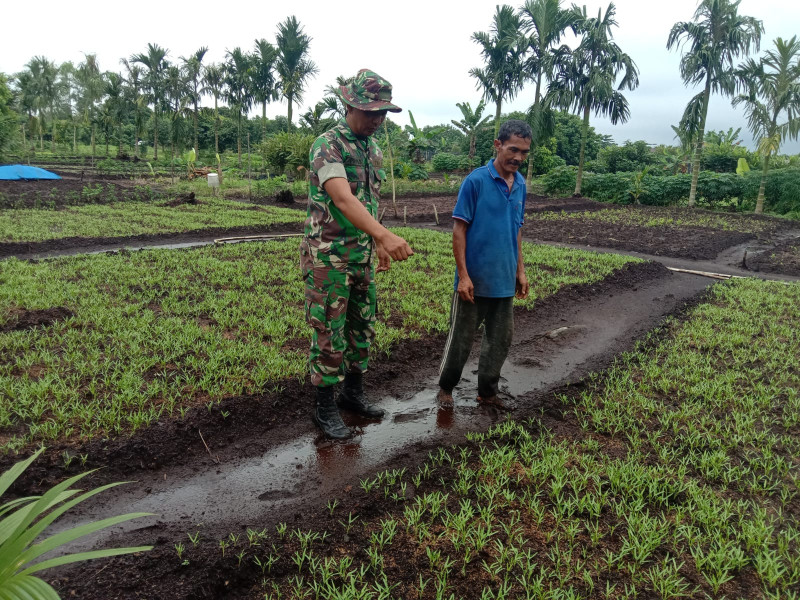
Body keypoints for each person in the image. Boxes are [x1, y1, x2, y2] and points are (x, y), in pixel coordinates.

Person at [301, 69, 413, 439]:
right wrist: (385, 235)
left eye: (383, 113)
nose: (378, 120)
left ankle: (353, 393)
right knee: (329, 331)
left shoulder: (374, 150)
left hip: (362, 255)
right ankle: (324, 405)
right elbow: (343, 198)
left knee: (361, 327)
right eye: (371, 112)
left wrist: (376, 241)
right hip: (329, 257)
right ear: (349, 105)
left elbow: (369, 201)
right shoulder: (327, 145)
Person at [437, 120, 532, 409]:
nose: (518, 157)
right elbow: (459, 230)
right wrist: (463, 276)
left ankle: (488, 393)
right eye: (513, 149)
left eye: (524, 152)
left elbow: (516, 229)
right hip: (473, 282)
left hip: (504, 280)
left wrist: (520, 270)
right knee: (460, 341)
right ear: (498, 145)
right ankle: (445, 389)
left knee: (499, 341)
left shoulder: (521, 185)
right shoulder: (476, 181)